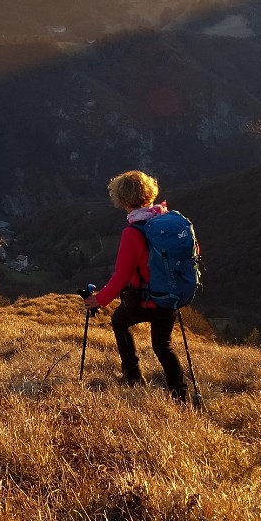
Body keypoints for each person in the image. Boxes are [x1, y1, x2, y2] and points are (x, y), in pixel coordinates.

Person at [83, 170, 187, 401]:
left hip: (142, 300)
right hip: (170, 298)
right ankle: (181, 397)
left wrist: (98, 300)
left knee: (119, 322)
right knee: (163, 347)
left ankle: (132, 376)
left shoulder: (133, 232)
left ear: (122, 199)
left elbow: (121, 276)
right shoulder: (169, 221)